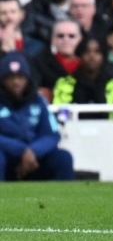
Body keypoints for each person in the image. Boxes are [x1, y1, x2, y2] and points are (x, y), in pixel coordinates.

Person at [0, 51, 73, 181]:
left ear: (27, 79)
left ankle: (63, 200)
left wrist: (34, 150)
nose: (16, 82)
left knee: (63, 158)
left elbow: (52, 134)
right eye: (10, 77)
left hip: (34, 159)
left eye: (20, 77)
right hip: (7, 156)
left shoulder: (38, 100)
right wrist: (22, 150)